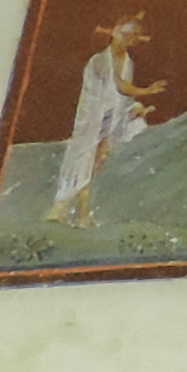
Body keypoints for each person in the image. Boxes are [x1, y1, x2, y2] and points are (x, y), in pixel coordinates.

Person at [48, 14, 154, 225]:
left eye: (134, 35)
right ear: (114, 31)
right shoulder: (98, 61)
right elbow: (118, 86)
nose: (129, 39)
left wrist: (135, 108)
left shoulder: (128, 62)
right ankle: (60, 210)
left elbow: (122, 97)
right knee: (83, 161)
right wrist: (145, 91)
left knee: (96, 162)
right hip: (93, 118)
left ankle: (81, 214)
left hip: (111, 118)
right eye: (125, 33)